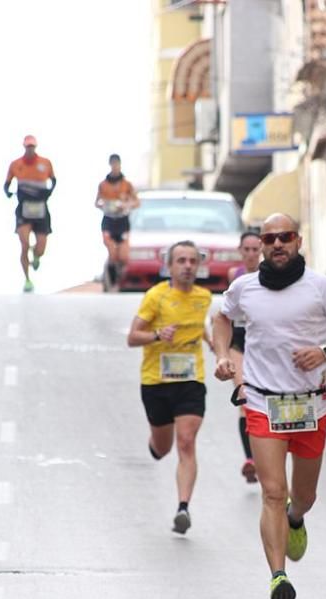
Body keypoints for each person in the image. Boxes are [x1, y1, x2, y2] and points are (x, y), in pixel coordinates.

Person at [212, 213, 326, 599]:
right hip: (263, 404)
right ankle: (278, 577)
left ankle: (297, 519)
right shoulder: (244, 288)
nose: (277, 244)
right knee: (272, 493)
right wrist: (224, 355)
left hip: (310, 404)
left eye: (285, 237)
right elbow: (221, 318)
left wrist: (325, 351)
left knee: (304, 496)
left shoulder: (320, 287)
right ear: (260, 245)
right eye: (269, 238)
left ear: (298, 241)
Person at [127, 240, 212, 534]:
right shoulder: (156, 297)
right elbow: (132, 336)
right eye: (181, 261)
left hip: (191, 380)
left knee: (186, 441)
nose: (187, 266)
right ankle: (155, 444)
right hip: (156, 382)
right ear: (170, 266)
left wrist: (220, 351)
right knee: (163, 448)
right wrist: (157, 335)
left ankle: (183, 508)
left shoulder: (204, 297)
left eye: (192, 261)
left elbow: (202, 328)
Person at [227, 230, 263, 483]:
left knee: (261, 402)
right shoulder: (234, 276)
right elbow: (225, 313)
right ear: (240, 251)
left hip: (260, 345)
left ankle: (263, 456)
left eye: (255, 249)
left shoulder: (267, 277)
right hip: (238, 343)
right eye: (246, 250)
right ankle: (250, 459)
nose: (250, 254)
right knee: (245, 396)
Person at [4, 135, 56, 293]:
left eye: (32, 147)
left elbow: (54, 180)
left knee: (40, 247)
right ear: (24, 147)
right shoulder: (16, 164)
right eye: (28, 147)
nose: (30, 149)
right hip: (24, 208)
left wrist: (49, 192)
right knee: (24, 244)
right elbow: (7, 183)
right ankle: (27, 279)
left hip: (40, 207)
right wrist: (8, 192)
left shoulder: (45, 163)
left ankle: (37, 255)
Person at [96, 153, 139, 291]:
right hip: (109, 220)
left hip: (122, 221)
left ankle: (120, 275)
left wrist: (126, 205)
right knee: (112, 251)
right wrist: (105, 205)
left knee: (123, 255)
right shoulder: (103, 184)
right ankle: (109, 277)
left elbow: (136, 202)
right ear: (110, 165)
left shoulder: (127, 185)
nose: (115, 167)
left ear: (120, 165)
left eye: (117, 164)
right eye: (113, 164)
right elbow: (97, 202)